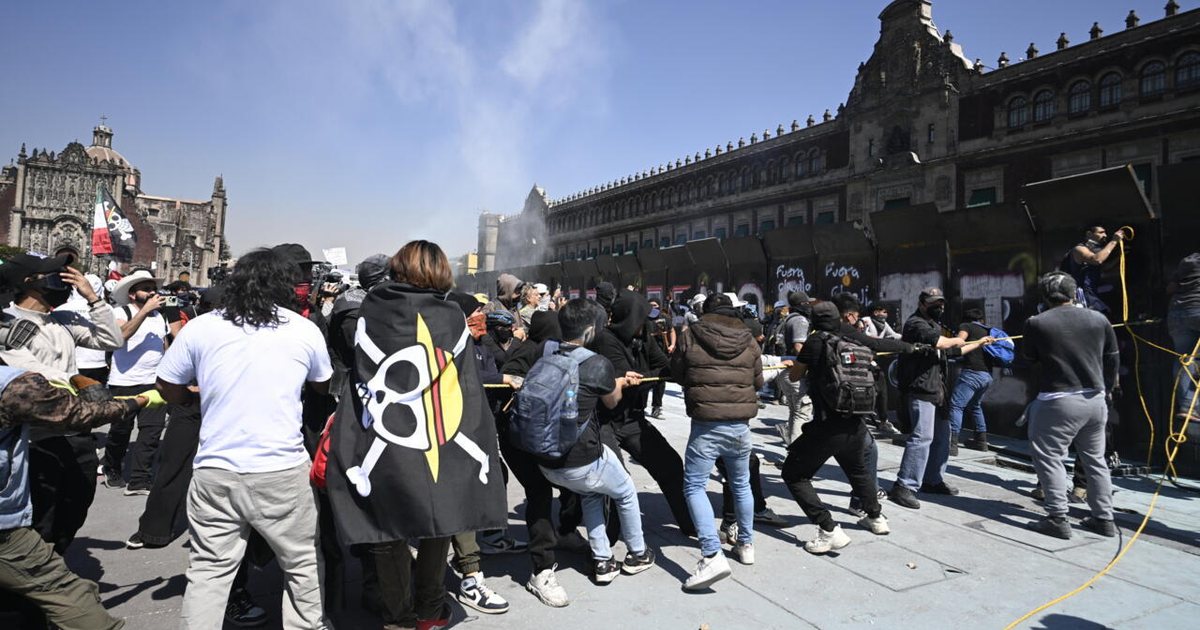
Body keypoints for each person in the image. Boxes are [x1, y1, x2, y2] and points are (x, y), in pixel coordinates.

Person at [156, 248, 333, 629]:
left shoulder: (202, 326)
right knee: (301, 562)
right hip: (282, 470)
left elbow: (167, 383)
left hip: (215, 469)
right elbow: (322, 384)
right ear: (285, 286)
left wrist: (190, 396)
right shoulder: (303, 329)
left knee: (208, 569)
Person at [0, 367, 161, 630]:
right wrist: (138, 401)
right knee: (67, 591)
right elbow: (82, 413)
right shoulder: (13, 386)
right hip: (5, 531)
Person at [0, 253, 123, 554]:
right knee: (42, 513)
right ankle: (33, 586)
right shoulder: (8, 326)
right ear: (29, 283)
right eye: (57, 275)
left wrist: (93, 298)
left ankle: (54, 562)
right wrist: (78, 383)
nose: (65, 281)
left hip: (76, 432)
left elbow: (112, 339)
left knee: (76, 503)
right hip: (38, 434)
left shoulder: (63, 320)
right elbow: (35, 375)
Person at [534, 298, 656, 585]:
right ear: (590, 331)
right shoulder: (597, 363)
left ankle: (603, 560)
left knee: (592, 493)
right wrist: (619, 382)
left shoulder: (546, 352)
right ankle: (638, 554)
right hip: (582, 459)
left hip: (547, 461)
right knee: (625, 490)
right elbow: (611, 401)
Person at [781, 302, 919, 554]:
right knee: (857, 470)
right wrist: (910, 347)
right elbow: (878, 344)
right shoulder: (851, 336)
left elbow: (795, 376)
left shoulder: (816, 341)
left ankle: (828, 529)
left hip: (827, 425)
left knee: (794, 474)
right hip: (856, 421)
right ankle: (876, 518)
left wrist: (796, 366)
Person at [670, 293, 763, 590]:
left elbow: (678, 373)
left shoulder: (689, 334)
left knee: (695, 486)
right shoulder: (749, 338)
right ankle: (746, 545)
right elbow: (758, 381)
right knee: (741, 484)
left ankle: (711, 552)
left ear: (704, 311)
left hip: (706, 423)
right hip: (740, 425)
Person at [1023, 272, 1119, 539]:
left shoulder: (1036, 323)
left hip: (1057, 400)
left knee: (1050, 457)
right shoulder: (1099, 320)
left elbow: (1029, 358)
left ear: (1044, 296)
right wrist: (1107, 390)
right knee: (1095, 461)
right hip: (1096, 400)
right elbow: (1112, 360)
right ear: (1074, 293)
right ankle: (1104, 518)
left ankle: (1057, 517)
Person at [594, 289, 696, 537]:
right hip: (603, 421)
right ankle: (607, 540)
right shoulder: (606, 340)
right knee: (618, 479)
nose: (647, 324)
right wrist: (652, 377)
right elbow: (627, 382)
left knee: (670, 465)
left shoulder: (644, 336)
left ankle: (691, 525)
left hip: (631, 418)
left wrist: (682, 361)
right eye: (641, 318)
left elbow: (663, 366)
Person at [889, 287, 991, 510]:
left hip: (938, 389)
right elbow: (941, 343)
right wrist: (959, 338)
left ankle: (933, 480)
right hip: (921, 388)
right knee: (922, 437)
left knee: (943, 437)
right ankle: (903, 486)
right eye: (934, 303)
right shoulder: (916, 324)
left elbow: (953, 351)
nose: (939, 307)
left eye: (941, 303)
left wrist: (979, 343)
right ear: (922, 303)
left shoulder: (935, 326)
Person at [101, 270, 174, 494]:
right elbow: (121, 336)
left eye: (154, 288)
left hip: (153, 382)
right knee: (121, 431)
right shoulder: (120, 312)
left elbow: (165, 344)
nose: (153, 293)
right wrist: (144, 312)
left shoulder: (160, 316)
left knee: (151, 433)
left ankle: (139, 480)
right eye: (147, 289)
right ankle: (111, 467)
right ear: (133, 295)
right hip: (124, 382)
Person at [950, 307, 994, 453]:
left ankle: (952, 444)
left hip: (972, 373)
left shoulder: (966, 326)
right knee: (975, 406)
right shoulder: (988, 331)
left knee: (956, 406)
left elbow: (959, 342)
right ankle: (981, 442)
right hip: (986, 376)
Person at [774, 291, 814, 445]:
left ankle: (791, 450)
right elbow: (799, 347)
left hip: (786, 370)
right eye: (807, 303)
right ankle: (796, 455)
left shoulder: (787, 319)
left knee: (795, 411)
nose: (809, 306)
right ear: (802, 304)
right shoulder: (800, 321)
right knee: (802, 413)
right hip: (796, 370)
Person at [1167, 251, 1200, 428]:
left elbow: (1170, 289)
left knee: (1184, 359)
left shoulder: (1186, 261)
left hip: (1176, 312)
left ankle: (1188, 407)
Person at [1062, 225, 1125, 314]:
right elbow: (1097, 260)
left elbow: (1104, 267)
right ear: (1089, 234)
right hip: (1081, 295)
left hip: (1094, 291)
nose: (1105, 235)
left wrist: (1121, 257)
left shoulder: (1092, 251)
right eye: (1101, 232)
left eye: (1105, 232)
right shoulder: (1079, 249)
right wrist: (1114, 241)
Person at [646, 299, 675, 418]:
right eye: (651, 305)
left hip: (662, 353)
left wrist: (672, 344)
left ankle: (656, 407)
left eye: (655, 305)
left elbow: (672, 330)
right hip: (647, 353)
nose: (653, 307)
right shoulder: (645, 317)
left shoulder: (665, 317)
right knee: (646, 380)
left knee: (660, 380)